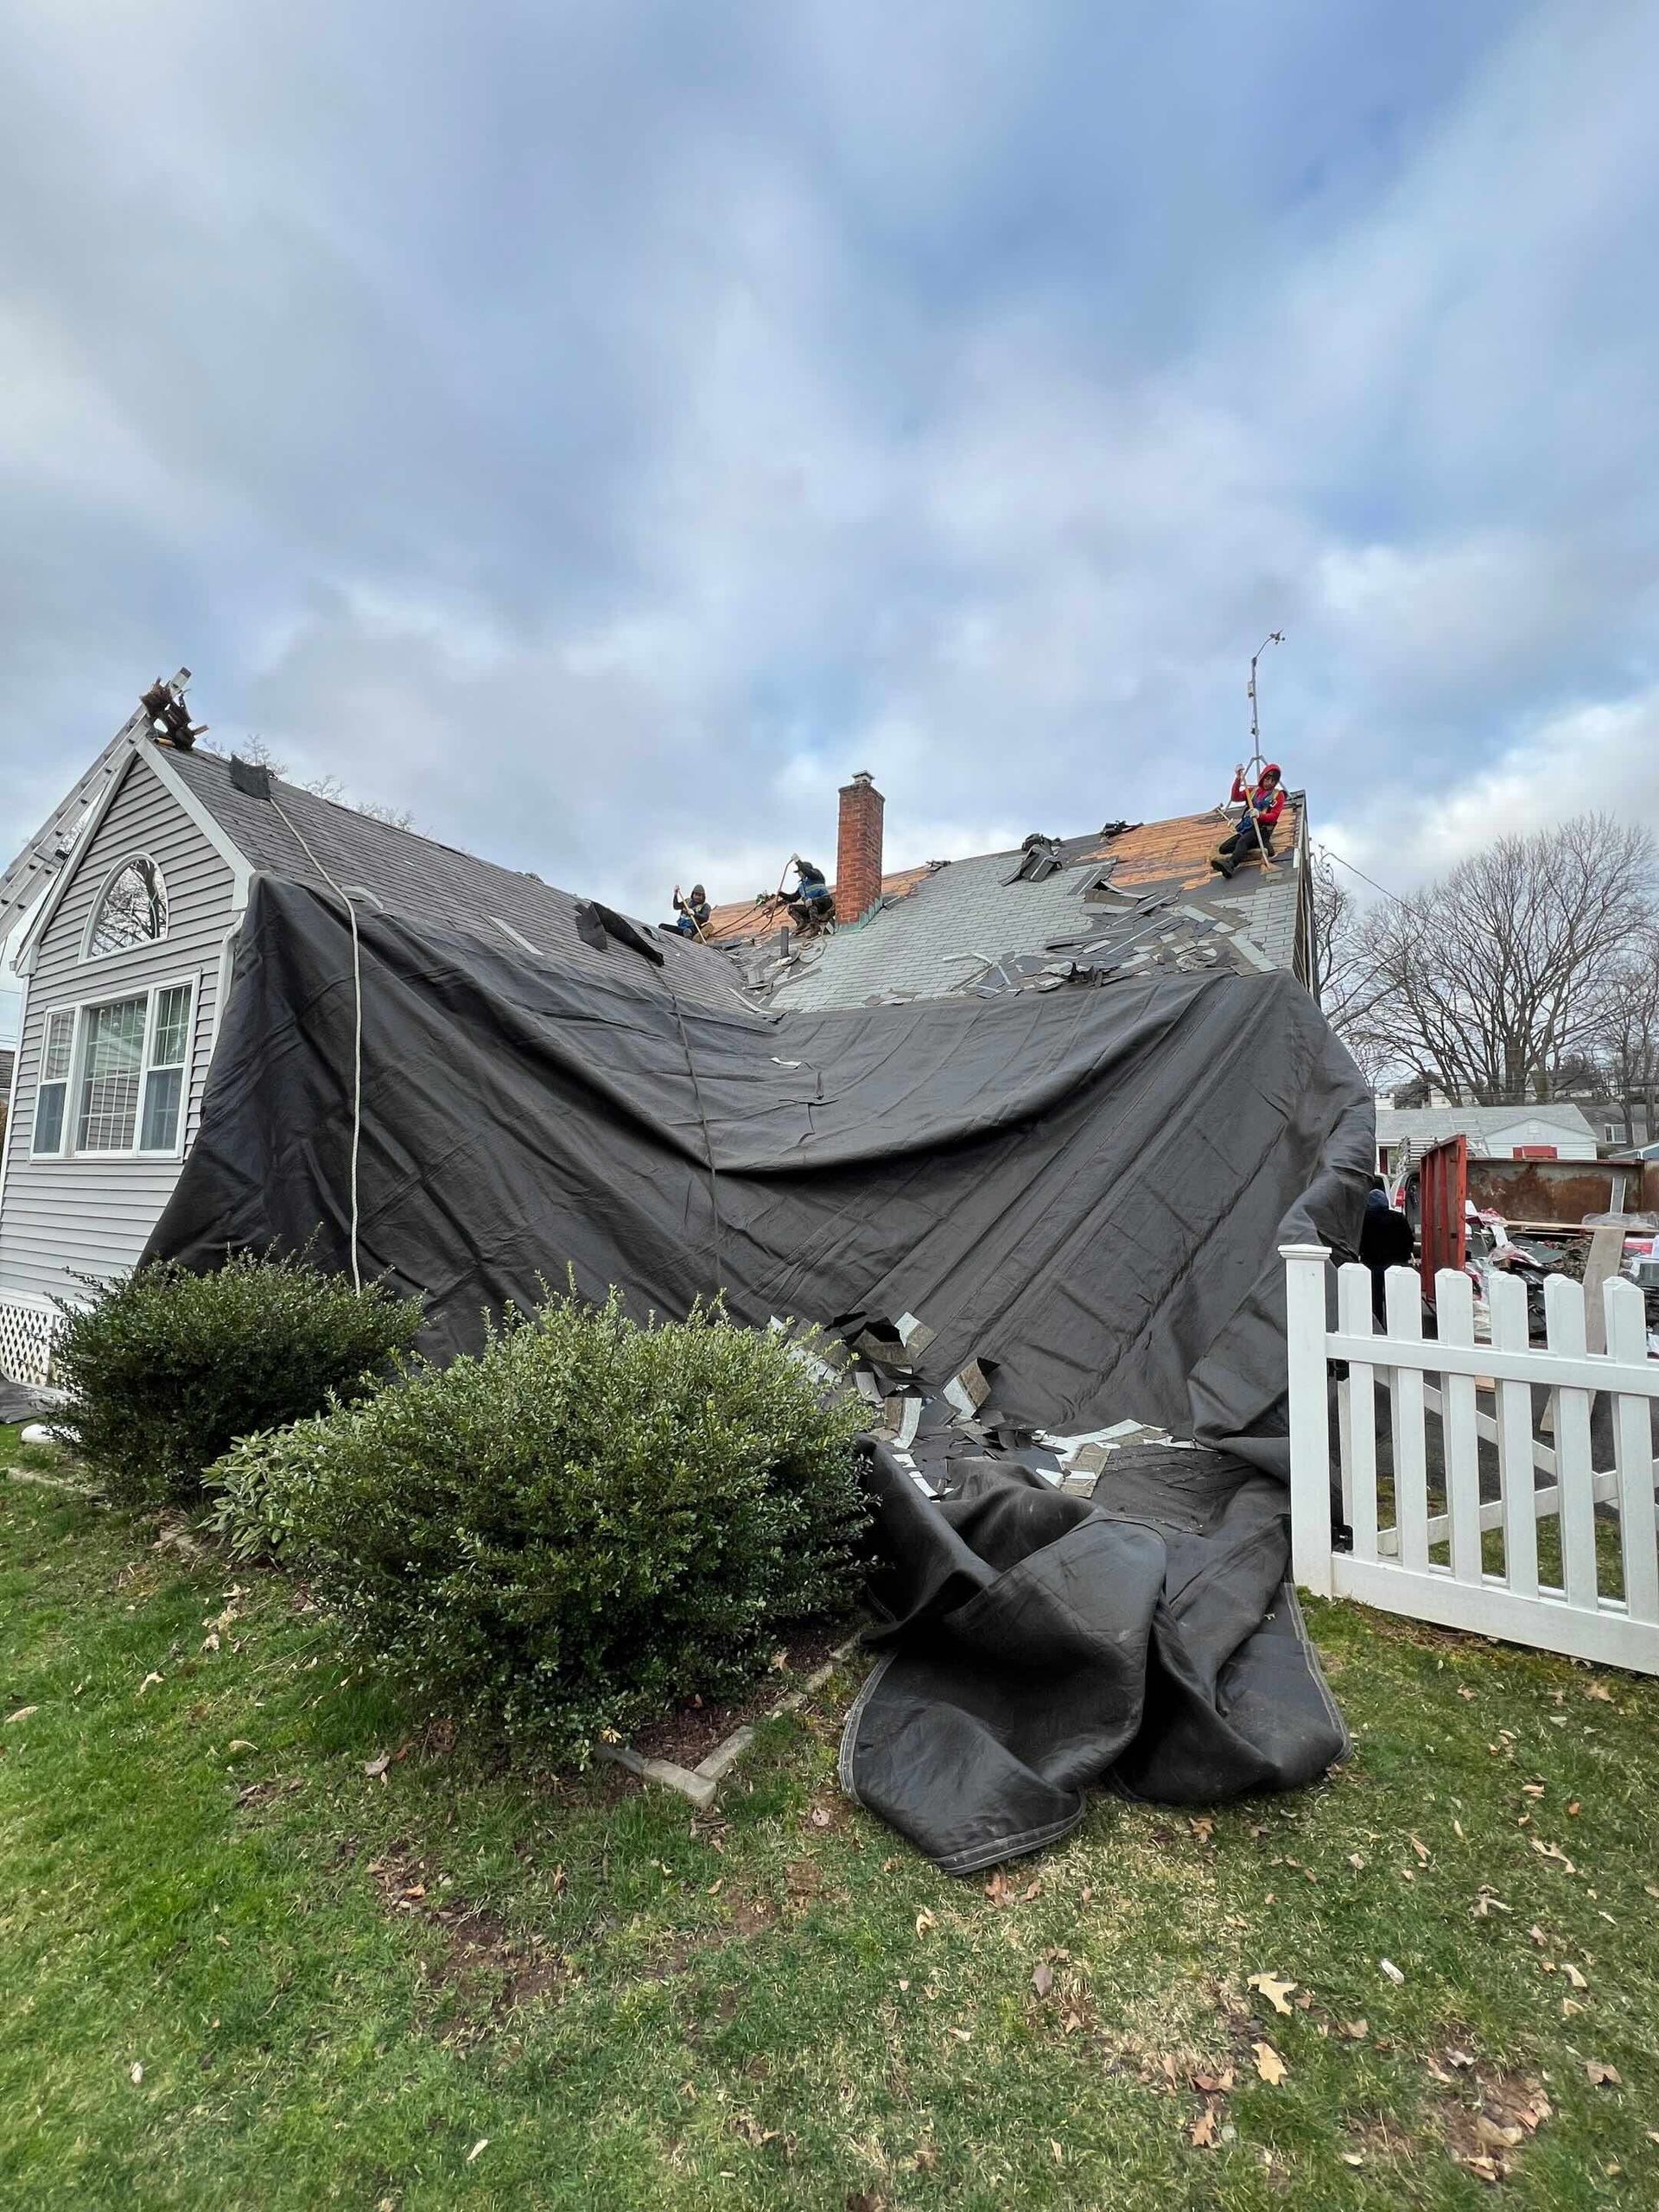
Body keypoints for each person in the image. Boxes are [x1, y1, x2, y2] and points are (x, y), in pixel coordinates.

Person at [1210, 763, 1286, 878]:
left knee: (1242, 842)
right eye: (1268, 778)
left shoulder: (1277, 795)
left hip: (1261, 829)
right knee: (1224, 848)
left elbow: (1274, 816)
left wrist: (1259, 815)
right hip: (1248, 828)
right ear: (1263, 777)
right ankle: (1254, 848)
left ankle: (1231, 865)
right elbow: (1235, 797)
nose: (1270, 782)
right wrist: (1238, 779)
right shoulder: (1253, 791)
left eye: (1273, 780)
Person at [1358, 1175, 1414, 1323]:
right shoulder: (1398, 1218)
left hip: (1373, 1263)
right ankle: (1395, 1323)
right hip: (1396, 1264)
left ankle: (1377, 1322)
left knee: (1375, 1296)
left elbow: (1359, 1241)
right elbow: (1409, 1239)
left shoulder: (1363, 1219)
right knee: (1394, 1296)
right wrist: (1405, 1255)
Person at [785, 855, 835, 932]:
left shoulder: (816, 876)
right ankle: (802, 923)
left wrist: (798, 862)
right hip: (811, 907)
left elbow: (809, 873)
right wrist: (781, 894)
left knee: (810, 902)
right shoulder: (802, 886)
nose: (799, 874)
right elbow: (793, 898)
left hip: (824, 902)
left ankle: (815, 927)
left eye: (800, 871)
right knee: (791, 907)